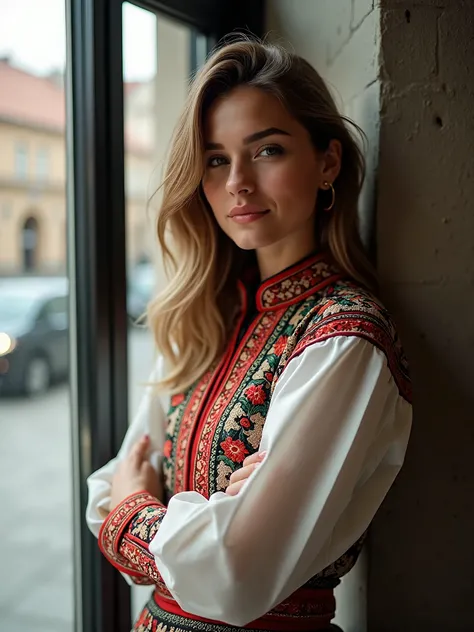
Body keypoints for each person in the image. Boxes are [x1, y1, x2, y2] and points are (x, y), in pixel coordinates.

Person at [86, 38, 412, 632]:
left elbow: (233, 573)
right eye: (215, 159)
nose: (237, 181)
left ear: (328, 163)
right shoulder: (205, 318)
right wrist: (190, 524)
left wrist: (136, 513)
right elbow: (111, 479)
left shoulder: (346, 340)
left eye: (267, 150)